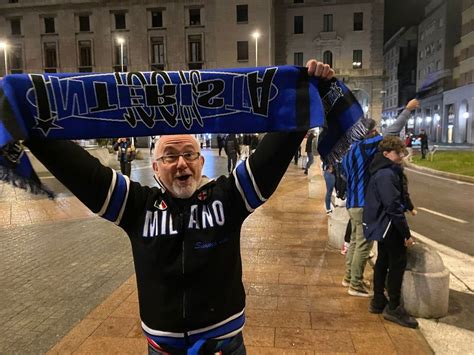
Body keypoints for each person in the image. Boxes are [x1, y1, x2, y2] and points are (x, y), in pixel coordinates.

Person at [24, 60, 335, 354]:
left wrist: (306, 91)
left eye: (189, 153)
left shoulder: (228, 198)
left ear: (201, 162)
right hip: (163, 348)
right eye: (170, 156)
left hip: (223, 345)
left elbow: (271, 156)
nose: (181, 163)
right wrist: (24, 118)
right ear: (156, 168)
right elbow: (81, 172)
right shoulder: (138, 206)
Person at [341, 98, 419, 297]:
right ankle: (355, 284)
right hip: (363, 204)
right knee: (363, 245)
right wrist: (407, 110)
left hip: (351, 202)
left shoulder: (350, 151)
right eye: (374, 130)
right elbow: (393, 132)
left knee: (354, 241)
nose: (377, 132)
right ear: (369, 133)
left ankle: (349, 276)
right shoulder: (371, 147)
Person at [363, 136, 418, 328]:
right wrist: (406, 235)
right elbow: (393, 206)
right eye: (397, 153)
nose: (401, 156)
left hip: (381, 224)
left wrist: (409, 206)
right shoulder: (386, 174)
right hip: (388, 225)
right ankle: (393, 307)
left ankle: (378, 301)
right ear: (386, 154)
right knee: (397, 263)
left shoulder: (381, 169)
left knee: (383, 261)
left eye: (402, 152)